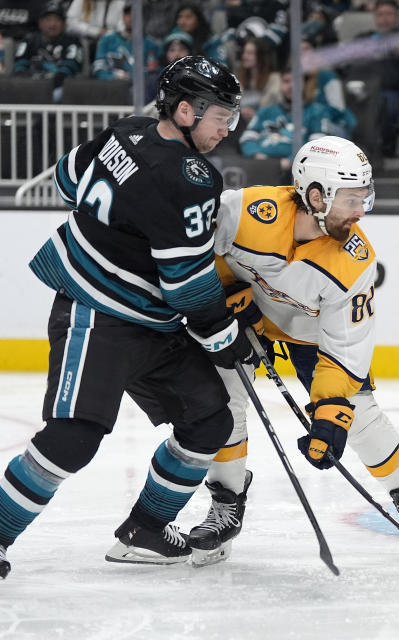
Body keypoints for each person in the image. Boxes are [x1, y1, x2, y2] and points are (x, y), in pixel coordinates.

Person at [0, 56, 254, 580]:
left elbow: (69, 180)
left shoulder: (128, 129)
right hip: (97, 313)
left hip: (150, 323)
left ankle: (145, 529)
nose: (228, 128)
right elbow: (186, 280)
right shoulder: (192, 177)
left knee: (209, 418)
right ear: (186, 110)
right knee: (73, 436)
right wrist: (224, 336)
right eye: (221, 116)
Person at [187, 137, 399, 564]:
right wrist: (225, 293)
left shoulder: (355, 262)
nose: (361, 211)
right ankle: (226, 504)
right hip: (248, 320)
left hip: (311, 334)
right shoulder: (245, 211)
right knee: (222, 401)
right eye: (351, 199)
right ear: (315, 194)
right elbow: (196, 253)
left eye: (365, 197)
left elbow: (345, 348)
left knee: (358, 414)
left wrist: (329, 414)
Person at [239, 68, 357, 171]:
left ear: (304, 84)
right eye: (286, 81)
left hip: (295, 168)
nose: (291, 86)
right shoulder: (265, 111)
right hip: (259, 166)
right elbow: (247, 137)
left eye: (296, 81)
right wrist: (256, 154)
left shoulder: (317, 112)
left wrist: (292, 160)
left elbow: (316, 145)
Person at [348, 0, 399, 158]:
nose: (384, 19)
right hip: (362, 91)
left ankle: (383, 149)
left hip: (391, 93)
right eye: (380, 14)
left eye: (389, 14)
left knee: (385, 103)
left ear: (398, 17)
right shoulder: (363, 38)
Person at [12, 1, 84, 102]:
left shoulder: (72, 41)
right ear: (40, 23)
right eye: (48, 19)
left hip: (60, 87)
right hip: (31, 85)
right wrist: (24, 80)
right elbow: (20, 63)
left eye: (57, 20)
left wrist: (53, 81)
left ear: (63, 23)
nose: (52, 24)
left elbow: (72, 65)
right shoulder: (29, 40)